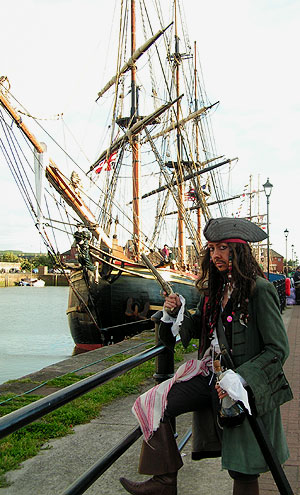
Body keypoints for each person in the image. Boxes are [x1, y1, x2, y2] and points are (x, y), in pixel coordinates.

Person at [119, 217, 293, 495]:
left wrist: (241, 379)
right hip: (211, 376)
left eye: (223, 248)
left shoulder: (260, 290)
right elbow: (196, 330)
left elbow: (278, 349)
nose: (215, 255)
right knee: (155, 403)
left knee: (243, 469)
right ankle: (164, 482)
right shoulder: (214, 290)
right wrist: (175, 312)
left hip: (242, 389)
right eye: (211, 249)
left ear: (239, 251)